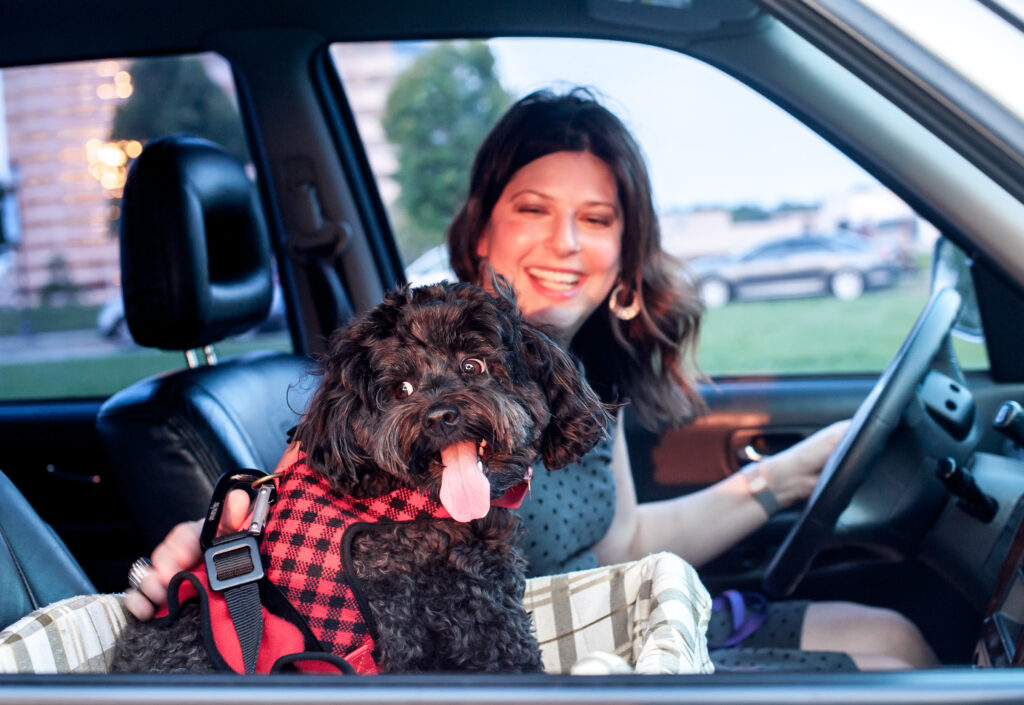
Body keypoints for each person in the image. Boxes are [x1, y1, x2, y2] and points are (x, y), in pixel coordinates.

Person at [124, 88, 937, 671]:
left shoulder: (567, 371)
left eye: (597, 218)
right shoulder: (418, 373)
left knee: (896, 634)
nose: (565, 244)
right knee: (901, 664)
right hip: (549, 660)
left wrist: (788, 476)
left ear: (626, 250)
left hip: (619, 614)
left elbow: (625, 543)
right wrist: (214, 534)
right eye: (533, 209)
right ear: (481, 226)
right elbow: (311, 497)